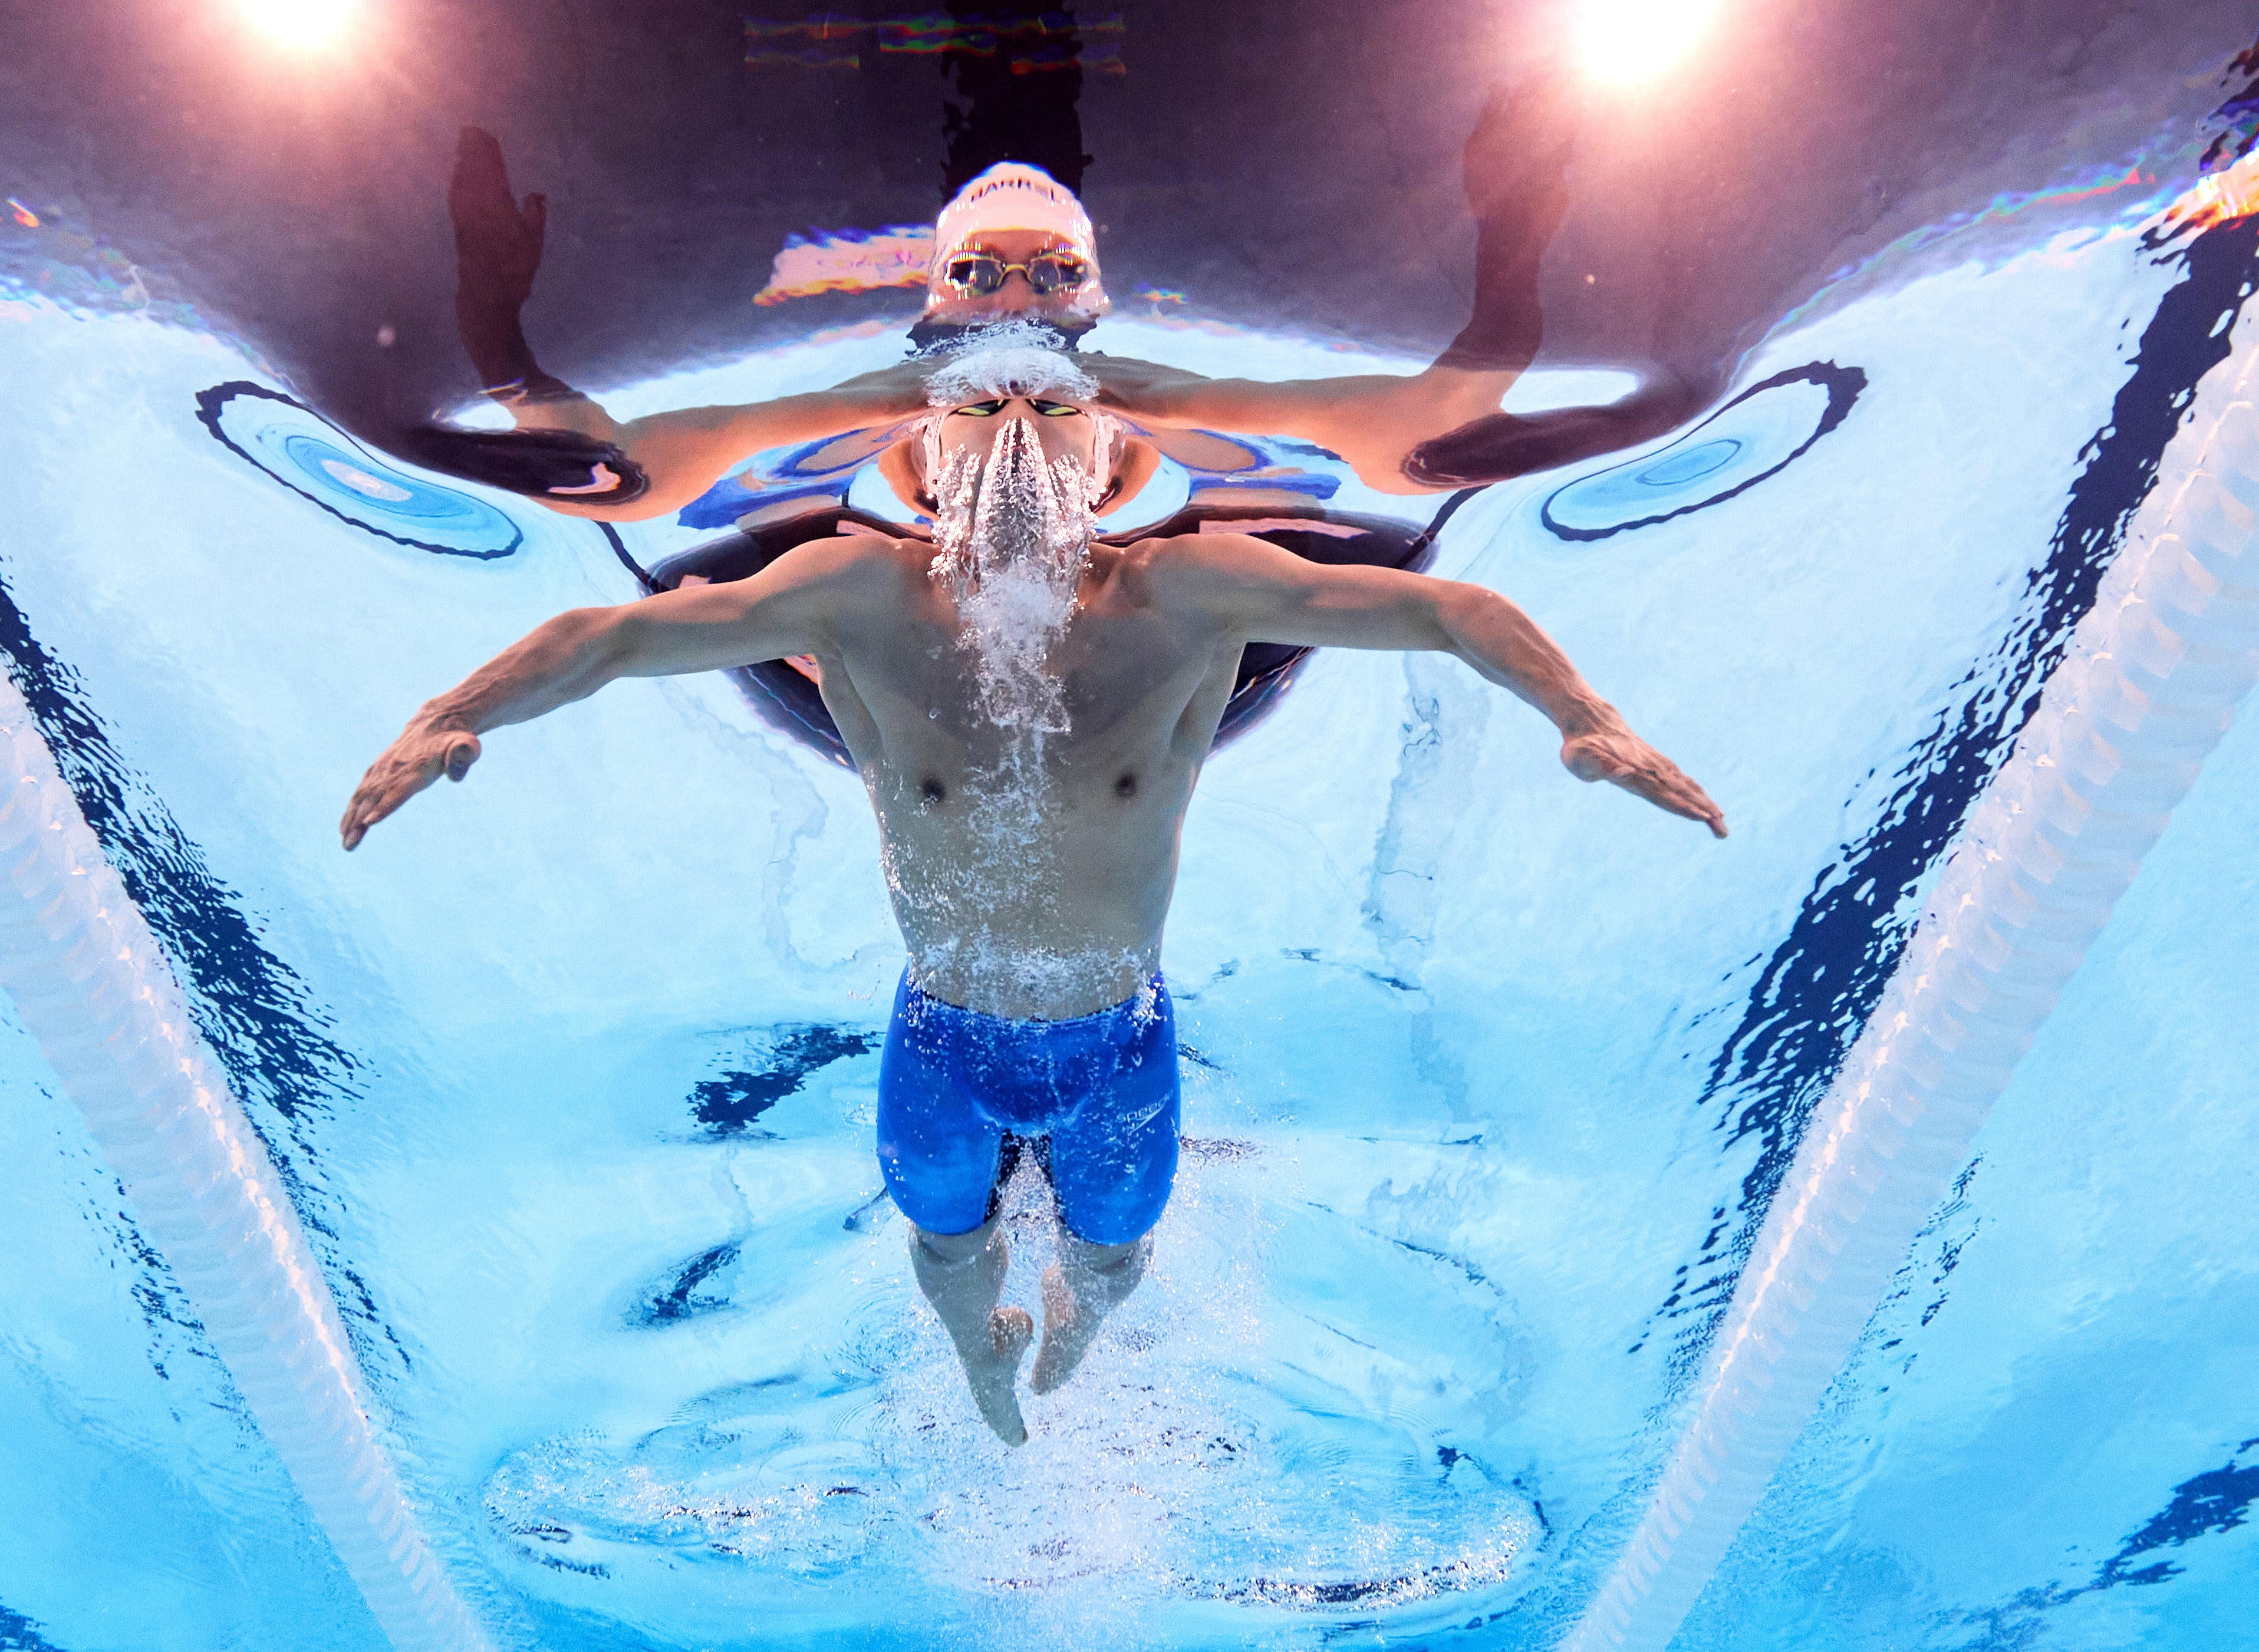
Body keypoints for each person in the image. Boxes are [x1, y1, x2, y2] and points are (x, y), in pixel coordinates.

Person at [341, 338, 1726, 1445]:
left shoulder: (1193, 591)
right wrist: (447, 715)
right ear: (928, 452)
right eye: (979, 403)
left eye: (1049, 403)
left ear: (1106, 448)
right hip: (939, 1039)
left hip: (1117, 1041)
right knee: (947, 1257)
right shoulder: (851, 596)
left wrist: (1581, 715)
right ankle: (975, 1359)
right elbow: (613, 634)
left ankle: (1072, 1324)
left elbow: (1438, 610)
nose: (1013, 420)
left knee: (1111, 1266)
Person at [406, 73, 1703, 522]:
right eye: (977, 272)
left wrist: (1511, 237)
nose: (1012, 295)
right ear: (932, 302)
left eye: (1047, 272)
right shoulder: (858, 419)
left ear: (1096, 299)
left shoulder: (1167, 413)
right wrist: (495, 330)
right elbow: (626, 473)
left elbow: (1437, 419)